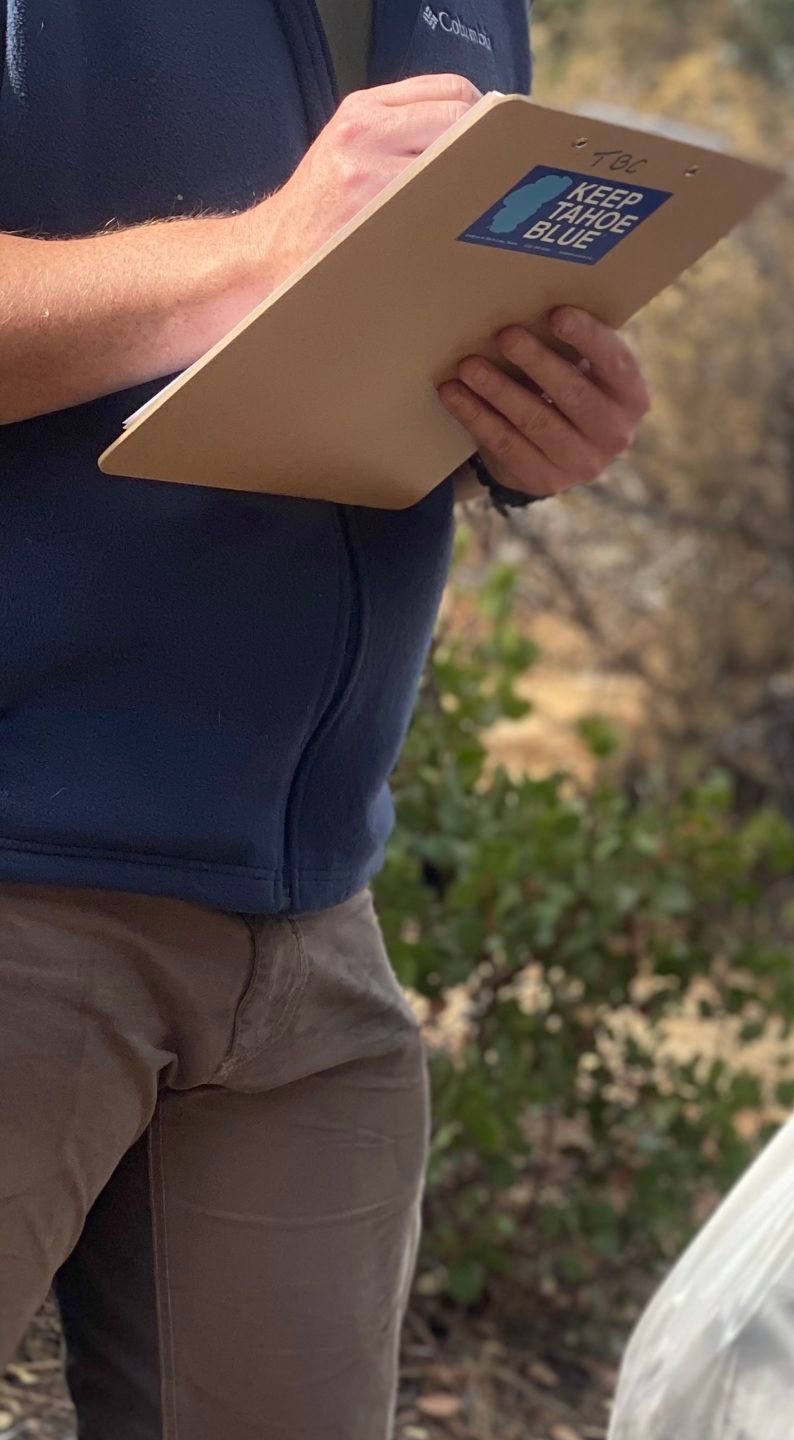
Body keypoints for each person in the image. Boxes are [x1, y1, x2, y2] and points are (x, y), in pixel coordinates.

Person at [0, 4, 651, 1435]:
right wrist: (254, 254)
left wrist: (524, 429)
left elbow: (362, 356)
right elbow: (279, 271)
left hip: (312, 938)